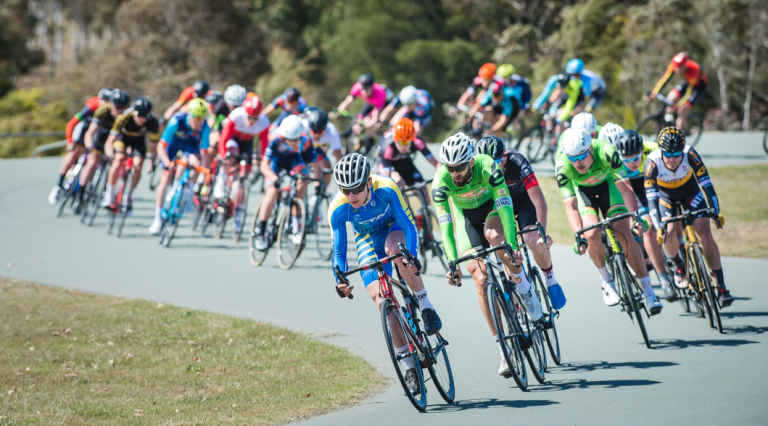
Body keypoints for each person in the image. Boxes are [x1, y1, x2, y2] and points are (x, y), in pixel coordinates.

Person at [432, 132, 542, 376]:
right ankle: (503, 347)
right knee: (480, 279)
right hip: (466, 220)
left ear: (471, 161)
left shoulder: (487, 166)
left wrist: (512, 245)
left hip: (492, 208)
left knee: (496, 239)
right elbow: (446, 226)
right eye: (450, 167)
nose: (455, 173)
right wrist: (452, 263)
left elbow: (505, 206)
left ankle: (523, 286)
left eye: (460, 167)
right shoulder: (441, 182)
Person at [331, 152, 442, 391]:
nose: (351, 196)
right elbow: (339, 250)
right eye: (345, 190)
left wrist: (411, 255)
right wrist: (340, 279)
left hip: (395, 227)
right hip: (367, 239)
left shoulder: (387, 188)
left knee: (396, 252)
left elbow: (408, 224)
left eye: (356, 189)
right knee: (381, 300)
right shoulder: (338, 207)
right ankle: (408, 365)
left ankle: (425, 304)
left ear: (368, 183)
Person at [555, 128, 662, 314]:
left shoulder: (606, 152)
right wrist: (578, 235)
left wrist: (634, 218)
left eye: (582, 156)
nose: (578, 163)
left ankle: (648, 291)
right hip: (585, 194)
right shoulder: (563, 167)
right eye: (573, 158)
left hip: (610, 187)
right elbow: (571, 206)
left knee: (624, 232)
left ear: (590, 149)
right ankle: (606, 280)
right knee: (590, 234)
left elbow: (625, 188)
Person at [644, 126, 734, 306]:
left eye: (676, 155)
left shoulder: (691, 154)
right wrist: (659, 226)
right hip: (666, 197)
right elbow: (651, 199)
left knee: (705, 234)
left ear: (682, 151)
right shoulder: (652, 163)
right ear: (660, 151)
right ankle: (678, 266)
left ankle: (721, 286)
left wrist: (715, 212)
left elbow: (707, 186)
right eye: (667, 155)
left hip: (690, 192)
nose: (672, 159)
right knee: (668, 231)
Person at [475, 135, 566, 309]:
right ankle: (519, 296)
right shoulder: (479, 171)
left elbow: (539, 201)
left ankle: (550, 278)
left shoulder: (518, 162)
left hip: (524, 202)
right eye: (490, 163)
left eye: (498, 161)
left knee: (532, 239)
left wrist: (542, 232)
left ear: (505, 156)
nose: (494, 167)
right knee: (502, 245)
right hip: (499, 206)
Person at [613, 129, 676, 300]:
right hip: (632, 188)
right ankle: (664, 278)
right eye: (627, 160)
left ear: (642, 150)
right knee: (648, 229)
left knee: (672, 218)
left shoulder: (654, 149)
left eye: (635, 158)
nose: (632, 163)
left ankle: (679, 251)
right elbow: (626, 191)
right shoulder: (615, 161)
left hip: (654, 182)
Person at [251, 115, 315, 249]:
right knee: (272, 191)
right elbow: (264, 165)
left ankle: (296, 226)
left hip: (295, 162)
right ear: (284, 137)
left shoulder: (306, 141)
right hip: (277, 164)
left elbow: (313, 163)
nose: (294, 143)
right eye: (290, 140)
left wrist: (313, 177)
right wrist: (272, 177)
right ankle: (260, 229)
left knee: (302, 182)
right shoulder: (275, 141)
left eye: (297, 140)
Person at [149, 98, 211, 234]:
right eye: (197, 119)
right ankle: (157, 219)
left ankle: (185, 191)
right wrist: (167, 162)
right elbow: (161, 146)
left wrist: (203, 171)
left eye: (202, 119)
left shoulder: (205, 127)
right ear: (190, 116)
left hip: (190, 146)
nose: (200, 122)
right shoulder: (176, 121)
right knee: (165, 179)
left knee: (195, 165)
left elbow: (205, 152)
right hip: (173, 145)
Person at [48, 88, 112, 205]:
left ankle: (85, 186)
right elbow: (72, 123)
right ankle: (58, 185)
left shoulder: (112, 112)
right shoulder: (91, 107)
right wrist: (70, 142)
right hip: (84, 129)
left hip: (97, 133)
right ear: (102, 101)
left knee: (94, 160)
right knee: (74, 153)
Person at [212, 96, 270, 218]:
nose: (251, 121)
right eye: (249, 117)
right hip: (233, 139)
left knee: (244, 173)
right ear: (244, 113)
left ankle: (238, 205)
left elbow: (264, 144)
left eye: (255, 118)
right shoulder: (236, 116)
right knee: (229, 157)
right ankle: (220, 187)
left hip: (247, 143)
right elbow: (224, 139)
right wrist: (224, 155)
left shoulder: (264, 122)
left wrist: (263, 159)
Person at [101, 97, 161, 213]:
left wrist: (152, 162)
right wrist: (110, 154)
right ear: (134, 112)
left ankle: (129, 194)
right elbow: (110, 140)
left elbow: (153, 146)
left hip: (138, 142)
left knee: (138, 165)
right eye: (139, 116)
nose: (142, 119)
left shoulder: (153, 122)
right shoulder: (123, 117)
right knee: (119, 159)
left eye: (144, 117)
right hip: (122, 139)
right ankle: (109, 194)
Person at [78, 89, 131, 206]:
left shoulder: (126, 117)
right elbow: (91, 132)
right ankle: (81, 193)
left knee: (117, 162)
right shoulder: (102, 111)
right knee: (92, 162)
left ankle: (107, 192)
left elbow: (127, 139)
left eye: (123, 108)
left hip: (115, 140)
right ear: (111, 104)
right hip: (101, 136)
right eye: (117, 107)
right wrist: (89, 147)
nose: (120, 111)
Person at [646, 52, 708, 130]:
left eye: (679, 67)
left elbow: (688, 93)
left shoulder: (694, 69)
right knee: (670, 97)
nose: (677, 69)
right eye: (676, 66)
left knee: (683, 109)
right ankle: (669, 118)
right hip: (688, 82)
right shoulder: (674, 66)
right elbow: (664, 80)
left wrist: (678, 105)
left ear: (685, 65)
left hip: (698, 88)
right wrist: (654, 93)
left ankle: (679, 131)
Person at [332, 73, 393, 151]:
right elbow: (347, 102)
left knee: (372, 127)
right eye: (362, 89)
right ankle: (354, 140)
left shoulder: (379, 94)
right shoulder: (357, 87)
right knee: (358, 122)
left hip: (384, 104)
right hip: (371, 102)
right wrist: (337, 112)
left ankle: (369, 145)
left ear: (372, 87)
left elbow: (375, 117)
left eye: (367, 89)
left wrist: (367, 124)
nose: (364, 92)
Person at [377, 117, 438, 188]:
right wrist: (394, 176)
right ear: (395, 140)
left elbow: (435, 162)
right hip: (387, 164)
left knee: (421, 185)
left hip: (405, 161)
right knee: (397, 184)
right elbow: (385, 169)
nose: (404, 146)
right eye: (401, 142)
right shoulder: (388, 147)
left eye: (407, 142)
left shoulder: (417, 142)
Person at [303, 106, 342, 190]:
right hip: (302, 146)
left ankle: (321, 191)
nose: (316, 135)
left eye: (319, 132)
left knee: (327, 168)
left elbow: (338, 153)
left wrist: (340, 170)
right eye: (314, 131)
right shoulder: (303, 126)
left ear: (325, 128)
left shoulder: (331, 130)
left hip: (315, 148)